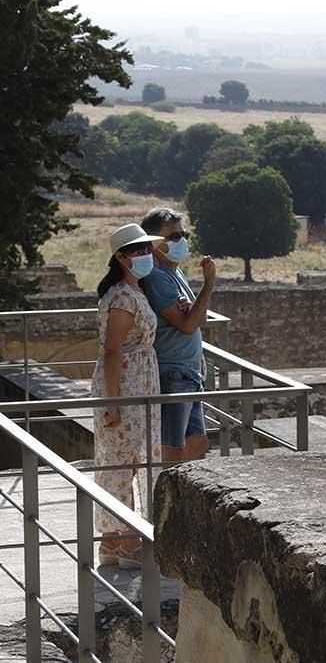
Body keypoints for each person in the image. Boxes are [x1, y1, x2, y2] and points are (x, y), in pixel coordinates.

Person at [92, 223, 164, 568]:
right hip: (126, 383)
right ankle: (123, 543)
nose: (145, 255)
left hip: (139, 380)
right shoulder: (121, 296)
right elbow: (112, 350)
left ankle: (114, 542)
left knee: (129, 462)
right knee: (122, 464)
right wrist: (113, 403)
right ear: (121, 257)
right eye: (138, 251)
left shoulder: (134, 291)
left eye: (147, 249)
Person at [140, 208, 216, 463]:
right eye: (174, 236)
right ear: (154, 242)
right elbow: (187, 325)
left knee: (197, 443)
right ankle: (165, 499)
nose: (181, 240)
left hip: (190, 373)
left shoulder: (176, 273)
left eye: (184, 234)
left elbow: (199, 318)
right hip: (173, 374)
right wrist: (209, 284)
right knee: (173, 449)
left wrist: (192, 311)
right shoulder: (157, 278)